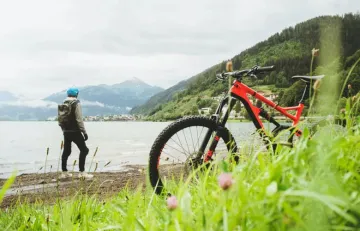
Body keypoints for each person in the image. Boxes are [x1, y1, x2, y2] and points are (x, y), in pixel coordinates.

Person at [58, 87, 93, 179]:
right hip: (75, 131)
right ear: (76, 94)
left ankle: (64, 172)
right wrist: (84, 132)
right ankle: (82, 172)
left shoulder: (63, 103)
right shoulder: (76, 103)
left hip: (66, 131)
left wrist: (64, 130)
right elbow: (79, 119)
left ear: (67, 94)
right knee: (84, 150)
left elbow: (60, 120)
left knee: (66, 151)